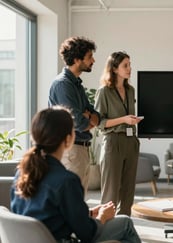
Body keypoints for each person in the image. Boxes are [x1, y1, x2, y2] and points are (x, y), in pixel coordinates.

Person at [10, 106, 141, 243]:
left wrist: (88, 213)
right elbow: (87, 234)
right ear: (68, 139)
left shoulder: (21, 174)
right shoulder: (66, 181)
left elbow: (47, 215)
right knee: (125, 224)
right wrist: (101, 216)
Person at [48, 36, 100, 194]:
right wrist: (88, 119)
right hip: (72, 151)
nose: (93, 60)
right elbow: (78, 122)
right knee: (71, 200)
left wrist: (89, 117)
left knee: (79, 199)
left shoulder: (76, 84)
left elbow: (95, 115)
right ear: (77, 60)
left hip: (80, 150)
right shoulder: (63, 84)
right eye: (90, 56)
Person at [94, 51, 142, 216]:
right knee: (110, 194)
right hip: (113, 143)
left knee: (128, 193)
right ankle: (106, 232)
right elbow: (99, 123)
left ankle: (123, 229)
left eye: (130, 64)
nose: (129, 68)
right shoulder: (104, 92)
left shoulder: (131, 90)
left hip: (131, 141)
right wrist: (123, 120)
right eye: (125, 65)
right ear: (114, 68)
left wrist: (133, 121)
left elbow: (129, 117)